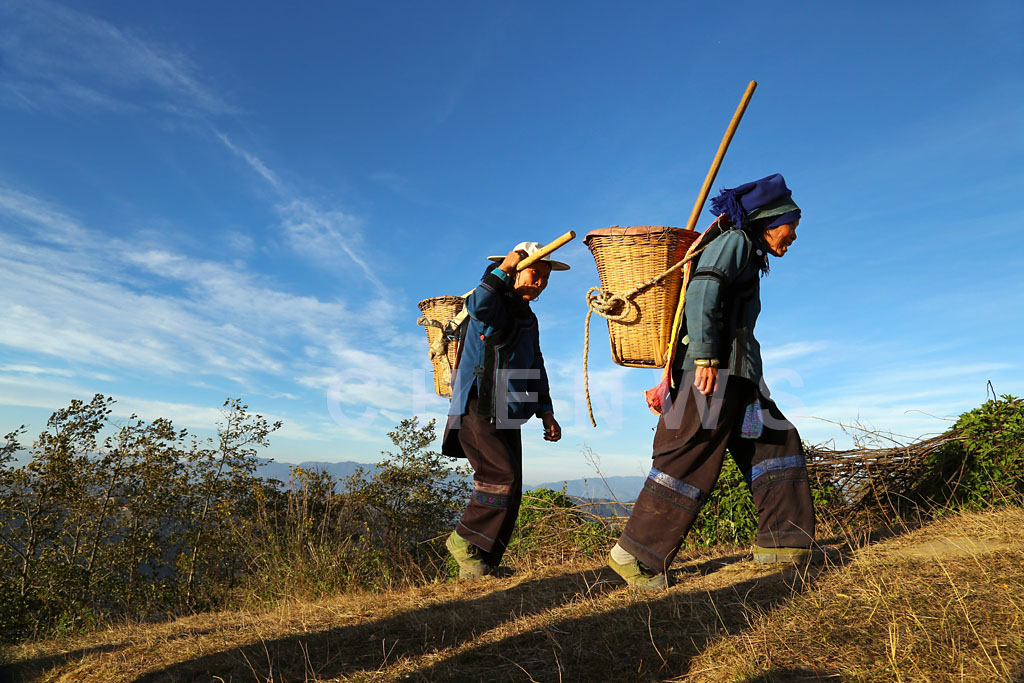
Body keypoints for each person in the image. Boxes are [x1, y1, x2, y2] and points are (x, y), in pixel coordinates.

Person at [608, 173, 824, 591]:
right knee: (689, 453)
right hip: (713, 370)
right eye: (790, 228)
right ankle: (633, 555)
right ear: (767, 222)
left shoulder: (748, 249)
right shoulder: (736, 242)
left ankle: (784, 541)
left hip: (740, 375)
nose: (793, 237)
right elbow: (703, 291)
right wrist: (705, 355)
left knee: (777, 441)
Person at [442, 241, 568, 578]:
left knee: (513, 485)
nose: (541, 281)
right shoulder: (493, 304)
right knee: (499, 477)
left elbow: (535, 363)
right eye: (534, 272)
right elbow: (477, 304)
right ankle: (462, 541)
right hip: (477, 403)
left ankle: (482, 563)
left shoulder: (528, 317)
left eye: (545, 276)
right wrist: (504, 269)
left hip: (508, 405)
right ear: (514, 271)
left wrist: (546, 410)